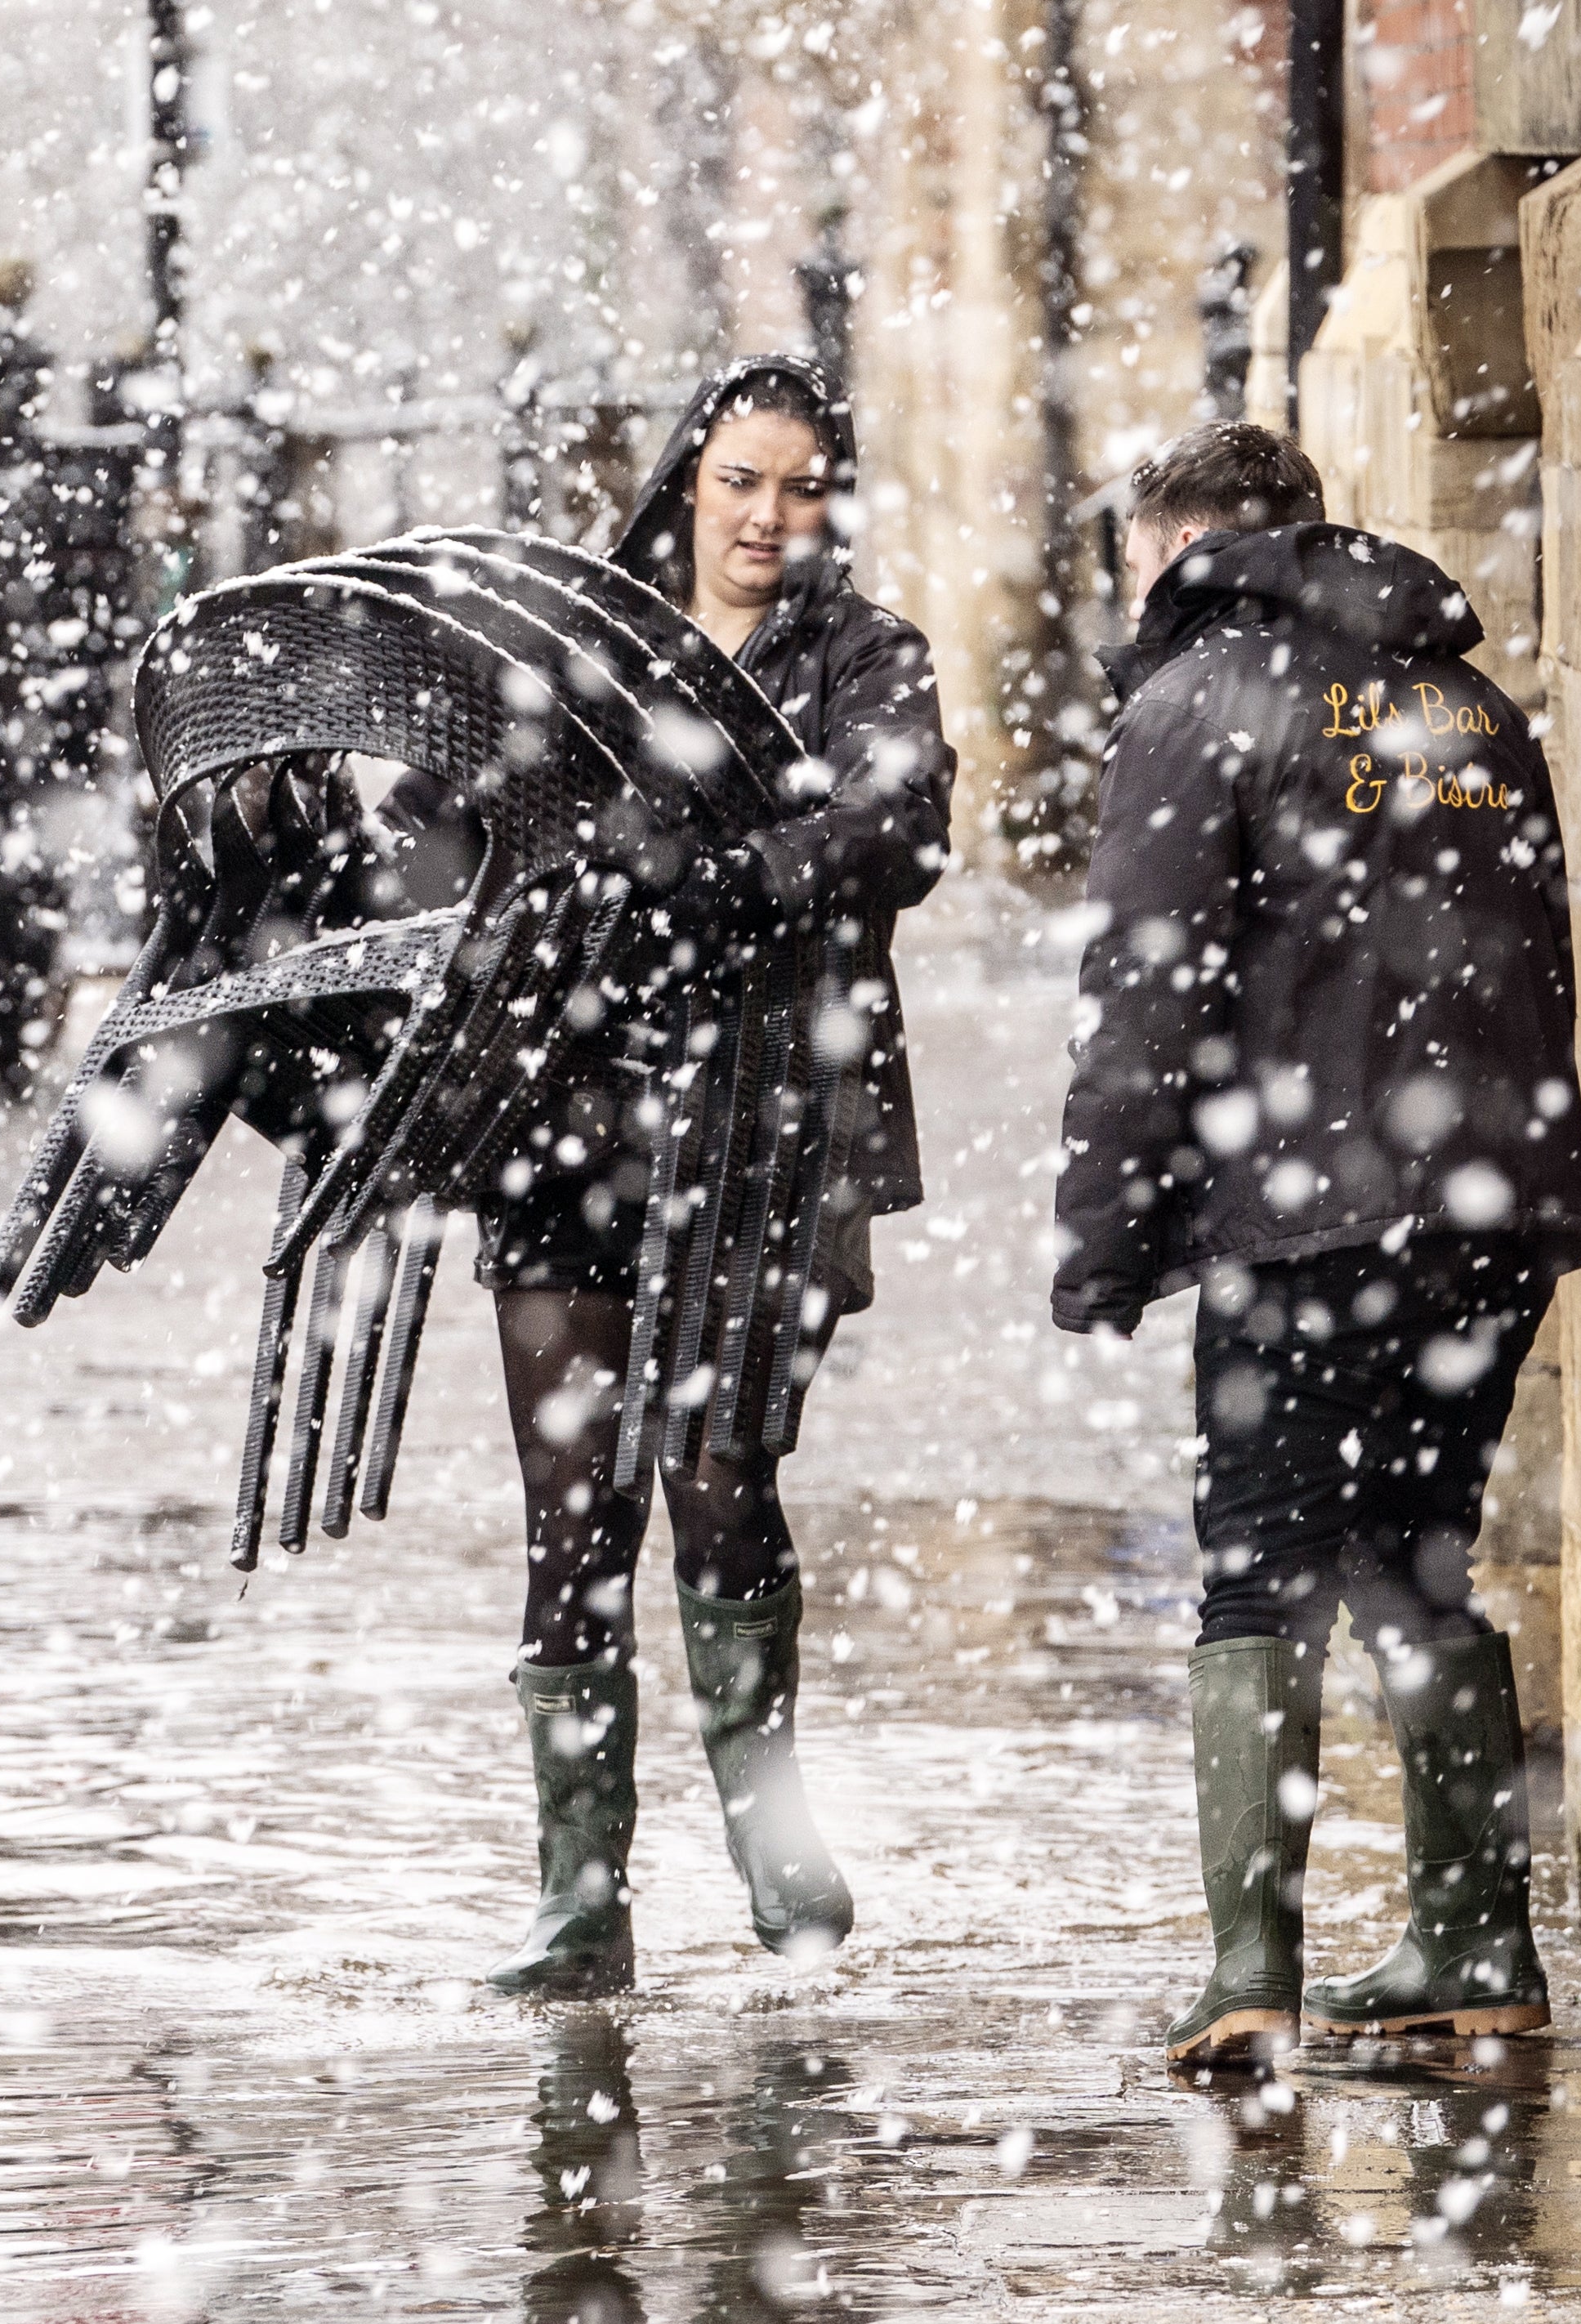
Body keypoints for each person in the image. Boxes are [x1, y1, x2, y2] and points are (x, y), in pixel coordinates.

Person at [1050, 421, 1581, 2075]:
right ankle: (1475, 1940)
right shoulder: (1463, 706)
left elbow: (1146, 1003)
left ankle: (1248, 1972)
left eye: (1143, 564)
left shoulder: (1189, 706)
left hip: (1306, 1221)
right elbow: (1530, 954)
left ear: (1188, 545)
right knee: (1420, 1549)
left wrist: (1106, 1240)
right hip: (1486, 1207)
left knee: (1260, 1574)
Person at [475, 355, 955, 1998]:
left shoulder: (866, 657)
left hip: (767, 1132)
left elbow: (905, 825)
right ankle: (580, 1897)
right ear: (692, 479)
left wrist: (739, 874)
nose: (769, 514)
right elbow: (480, 826)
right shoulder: (590, 648)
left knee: (721, 1484)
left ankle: (768, 1828)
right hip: (566, 1120)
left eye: (802, 484)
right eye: (742, 479)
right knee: (570, 1511)